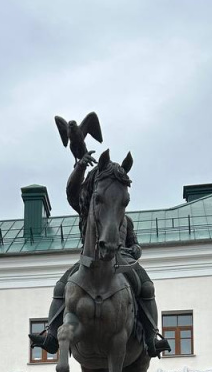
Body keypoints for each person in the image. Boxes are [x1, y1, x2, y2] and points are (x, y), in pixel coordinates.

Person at [28, 153, 170, 358]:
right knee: (61, 286)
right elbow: (72, 193)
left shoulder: (125, 220)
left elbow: (134, 243)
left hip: (122, 259)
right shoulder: (90, 210)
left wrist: (136, 249)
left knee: (146, 286)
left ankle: (150, 338)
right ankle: (51, 336)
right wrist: (79, 169)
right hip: (90, 259)